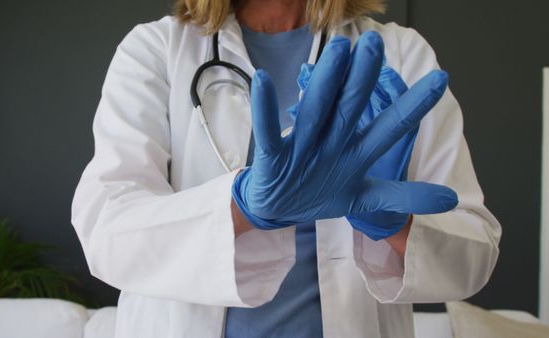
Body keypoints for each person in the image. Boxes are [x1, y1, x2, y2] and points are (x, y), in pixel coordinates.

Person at [71, 0, 502, 337]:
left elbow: (475, 255)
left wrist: (391, 224)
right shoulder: (155, 50)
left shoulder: (401, 53)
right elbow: (106, 234)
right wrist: (241, 208)